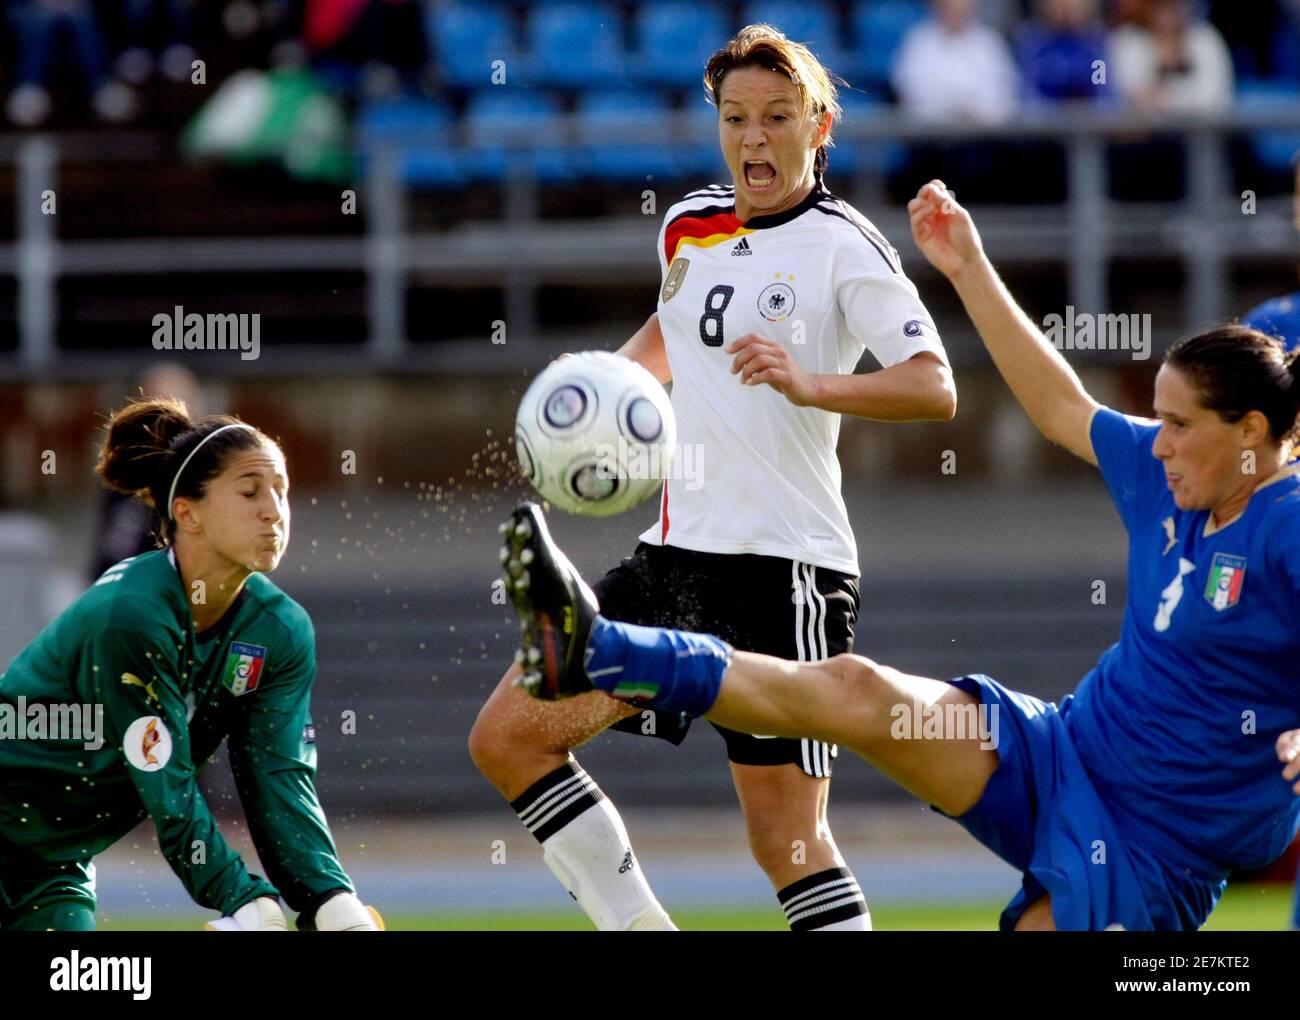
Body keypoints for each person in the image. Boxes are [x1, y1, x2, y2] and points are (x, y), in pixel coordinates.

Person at [499, 180, 1300, 931]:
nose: (1156, 442)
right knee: (854, 688)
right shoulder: (1170, 479)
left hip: (1157, 846)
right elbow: (1062, 406)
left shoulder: (1287, 523)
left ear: (1252, 435)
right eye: (1155, 419)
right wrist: (968, 265)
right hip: (1059, 752)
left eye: (1179, 425)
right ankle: (597, 646)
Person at [470, 24, 955, 932]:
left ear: (819, 127)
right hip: (668, 561)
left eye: (778, 117)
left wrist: (811, 380)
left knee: (786, 840)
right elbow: (672, 336)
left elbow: (935, 386)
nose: (754, 137)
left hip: (785, 571)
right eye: (736, 117)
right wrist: (595, 397)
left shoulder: (846, 245)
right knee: (509, 738)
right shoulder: (688, 224)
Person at [0, 398, 382, 931]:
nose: (274, 509)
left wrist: (331, 900)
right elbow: (169, 790)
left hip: (52, 867)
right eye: (250, 492)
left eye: (282, 491)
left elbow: (279, 778)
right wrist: (243, 900)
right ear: (187, 513)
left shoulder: (280, 632)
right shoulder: (134, 613)